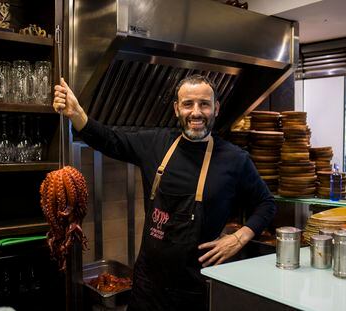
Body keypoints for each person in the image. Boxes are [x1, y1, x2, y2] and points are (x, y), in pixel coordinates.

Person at [53, 74, 276, 311]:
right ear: (176, 109)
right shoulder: (155, 143)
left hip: (195, 290)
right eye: (188, 104)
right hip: (147, 287)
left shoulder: (235, 159)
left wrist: (238, 238)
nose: (196, 112)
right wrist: (77, 114)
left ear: (216, 109)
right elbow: (110, 140)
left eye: (204, 104)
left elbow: (267, 204)